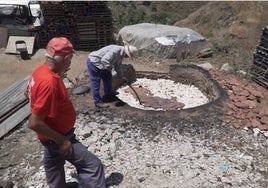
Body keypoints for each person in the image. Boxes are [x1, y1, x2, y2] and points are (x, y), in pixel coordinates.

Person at [25, 37, 106, 188]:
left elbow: (27, 93)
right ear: (66, 58)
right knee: (93, 166)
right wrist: (62, 141)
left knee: (54, 165)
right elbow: (34, 123)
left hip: (49, 137)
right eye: (70, 59)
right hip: (57, 137)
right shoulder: (49, 82)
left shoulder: (39, 72)